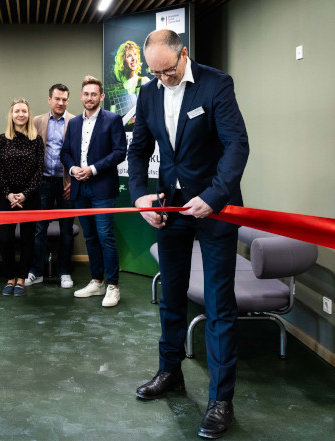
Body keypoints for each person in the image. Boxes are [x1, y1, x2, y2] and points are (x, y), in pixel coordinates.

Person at [127, 30, 249, 439]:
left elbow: (237, 146)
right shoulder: (148, 93)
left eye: (169, 69)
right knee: (171, 295)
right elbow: (139, 149)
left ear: (185, 54)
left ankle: (220, 399)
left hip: (216, 208)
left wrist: (214, 196)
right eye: (155, 72)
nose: (163, 78)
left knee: (218, 303)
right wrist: (142, 197)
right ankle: (170, 371)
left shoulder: (217, 84)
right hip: (169, 207)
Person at [60, 76, 126, 307]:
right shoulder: (75, 123)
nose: (89, 98)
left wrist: (93, 169)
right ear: (81, 96)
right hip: (80, 187)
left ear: (102, 97)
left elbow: (120, 152)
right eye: (86, 94)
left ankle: (113, 286)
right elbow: (65, 152)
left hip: (102, 187)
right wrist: (73, 168)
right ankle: (97, 281)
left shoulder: (113, 120)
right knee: (90, 237)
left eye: (94, 94)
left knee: (105, 236)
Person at [25, 84, 76, 289]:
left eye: (64, 99)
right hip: (43, 182)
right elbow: (30, 154)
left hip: (66, 183)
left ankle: (64, 272)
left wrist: (74, 181)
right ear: (49, 100)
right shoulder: (37, 121)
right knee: (40, 229)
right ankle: (36, 272)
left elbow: (80, 153)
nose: (61, 103)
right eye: (57, 99)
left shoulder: (74, 122)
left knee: (66, 229)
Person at [0, 98, 44, 297]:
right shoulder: (2, 139)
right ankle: (10, 278)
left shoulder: (36, 140)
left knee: (27, 240)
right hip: (7, 197)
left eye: (24, 111)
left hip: (29, 197)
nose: (21, 114)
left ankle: (21, 278)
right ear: (11, 114)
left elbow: (39, 171)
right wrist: (9, 194)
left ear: (28, 114)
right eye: (17, 111)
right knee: (6, 240)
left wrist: (24, 194)